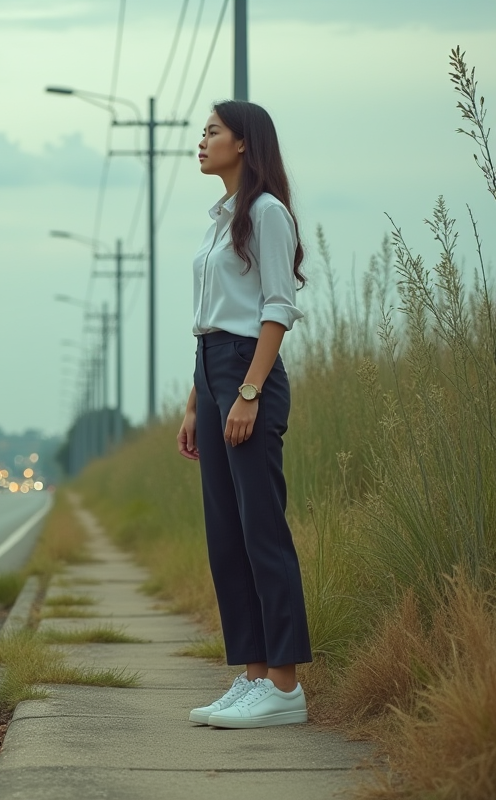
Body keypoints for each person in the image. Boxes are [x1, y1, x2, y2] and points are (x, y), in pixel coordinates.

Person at [177, 100, 312, 729]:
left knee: (262, 531)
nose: (201, 141)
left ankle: (284, 687)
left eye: (212, 132)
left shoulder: (266, 214)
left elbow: (276, 309)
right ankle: (253, 674)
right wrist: (195, 402)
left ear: (244, 143)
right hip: (213, 372)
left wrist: (249, 392)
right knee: (225, 537)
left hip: (246, 370)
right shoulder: (220, 218)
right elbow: (208, 320)